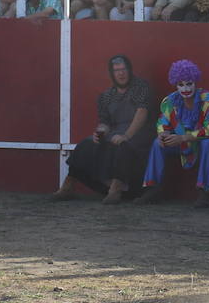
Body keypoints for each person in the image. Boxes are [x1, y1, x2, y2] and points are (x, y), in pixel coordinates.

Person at [54, 54, 154, 204]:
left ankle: (116, 189)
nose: (121, 73)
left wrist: (126, 135)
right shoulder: (106, 96)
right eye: (117, 70)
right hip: (115, 131)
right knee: (86, 144)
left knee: (124, 146)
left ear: (130, 70)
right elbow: (105, 122)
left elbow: (142, 113)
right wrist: (100, 132)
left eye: (124, 69)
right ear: (112, 73)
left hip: (139, 132)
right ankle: (68, 186)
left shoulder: (141, 87)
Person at [137, 60, 209, 208]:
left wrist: (183, 137)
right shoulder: (170, 101)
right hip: (181, 143)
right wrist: (163, 134)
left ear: (195, 82)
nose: (185, 88)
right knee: (158, 143)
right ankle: (153, 189)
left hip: (205, 141)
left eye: (189, 83)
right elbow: (162, 122)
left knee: (207, 144)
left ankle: (205, 192)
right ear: (175, 84)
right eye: (180, 84)